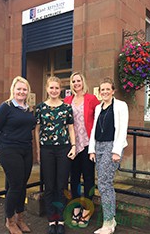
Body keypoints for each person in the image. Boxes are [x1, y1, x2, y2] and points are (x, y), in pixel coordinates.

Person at [0, 76, 36, 234]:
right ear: (13, 90)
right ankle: (9, 220)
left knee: (21, 185)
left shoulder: (29, 109)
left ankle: (20, 218)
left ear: (27, 92)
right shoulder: (6, 107)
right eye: (19, 89)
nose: (21, 92)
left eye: (24, 89)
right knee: (16, 185)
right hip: (9, 149)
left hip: (26, 150)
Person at [35, 76, 76, 234]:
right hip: (47, 150)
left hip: (63, 149)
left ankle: (61, 219)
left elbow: (71, 128)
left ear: (61, 90)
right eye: (51, 88)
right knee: (49, 186)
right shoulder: (40, 108)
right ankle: (52, 220)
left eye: (56, 88)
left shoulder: (66, 108)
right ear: (47, 89)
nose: (54, 91)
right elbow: (37, 130)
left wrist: (73, 146)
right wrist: (38, 150)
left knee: (62, 185)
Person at [88, 77, 129, 234]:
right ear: (99, 92)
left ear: (113, 91)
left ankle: (108, 223)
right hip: (98, 146)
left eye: (107, 89)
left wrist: (116, 151)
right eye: (102, 89)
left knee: (104, 184)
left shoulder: (120, 106)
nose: (104, 92)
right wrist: (92, 149)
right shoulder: (99, 108)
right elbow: (94, 130)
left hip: (112, 147)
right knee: (104, 183)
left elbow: (122, 129)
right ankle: (111, 219)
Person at [63, 72, 100, 228]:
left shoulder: (91, 99)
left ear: (83, 82)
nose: (76, 83)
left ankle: (87, 210)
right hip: (72, 146)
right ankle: (76, 208)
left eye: (78, 80)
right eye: (73, 81)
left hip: (87, 145)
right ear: (71, 84)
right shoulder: (67, 100)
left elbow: (100, 118)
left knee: (89, 178)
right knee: (74, 179)